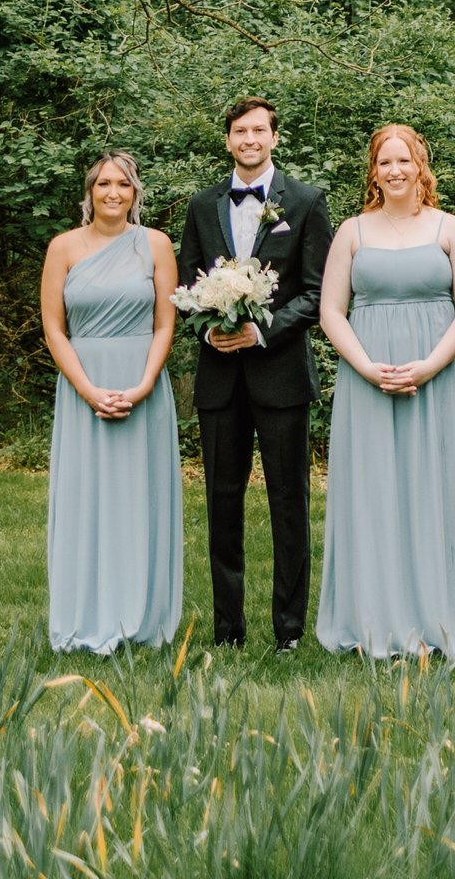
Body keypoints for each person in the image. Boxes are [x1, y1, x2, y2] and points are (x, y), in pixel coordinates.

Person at [316, 125, 455, 659]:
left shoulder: (451, 229)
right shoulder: (352, 233)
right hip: (367, 377)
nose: (394, 171)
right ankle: (374, 617)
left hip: (435, 376)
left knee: (433, 488)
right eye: (384, 162)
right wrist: (368, 368)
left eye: (404, 161)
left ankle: (438, 617)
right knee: (373, 492)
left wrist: (430, 366)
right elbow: (329, 311)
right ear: (373, 172)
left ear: (421, 167)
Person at [178, 96, 333, 651]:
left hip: (281, 375)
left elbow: (319, 293)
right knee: (222, 502)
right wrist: (209, 326)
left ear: (273, 138)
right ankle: (228, 630)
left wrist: (261, 330)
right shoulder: (202, 205)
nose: (249, 139)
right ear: (228, 140)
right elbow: (185, 286)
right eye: (240, 131)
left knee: (289, 501)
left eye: (259, 131)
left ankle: (289, 630)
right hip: (220, 379)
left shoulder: (308, 202)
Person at [42, 152, 182, 652]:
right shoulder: (62, 248)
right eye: (104, 184)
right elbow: (54, 329)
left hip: (142, 380)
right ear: (90, 191)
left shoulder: (157, 246)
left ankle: (141, 617)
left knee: (139, 499)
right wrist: (86, 389)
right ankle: (84, 615)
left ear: (135, 193)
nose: (113, 193)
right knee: (87, 500)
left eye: (123, 185)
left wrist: (145, 384)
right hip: (85, 385)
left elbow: (166, 322)